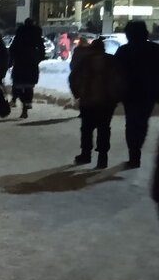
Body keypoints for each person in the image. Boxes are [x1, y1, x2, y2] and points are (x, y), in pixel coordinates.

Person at [68, 37, 123, 169]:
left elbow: (74, 77)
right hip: (107, 101)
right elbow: (120, 78)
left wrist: (77, 94)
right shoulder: (112, 60)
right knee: (104, 128)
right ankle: (102, 157)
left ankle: (86, 154)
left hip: (88, 100)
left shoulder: (85, 61)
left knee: (87, 129)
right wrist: (117, 96)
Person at [114, 20, 159, 169]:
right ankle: (136, 148)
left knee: (131, 122)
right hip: (149, 91)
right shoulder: (155, 49)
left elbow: (116, 73)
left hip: (130, 93)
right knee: (142, 121)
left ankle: (134, 154)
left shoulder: (124, 51)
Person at [8, 17, 46, 119]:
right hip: (31, 62)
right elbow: (42, 48)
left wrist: (11, 59)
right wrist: (39, 58)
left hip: (20, 61)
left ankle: (18, 100)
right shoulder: (36, 35)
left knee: (18, 84)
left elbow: (13, 48)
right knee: (29, 85)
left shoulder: (20, 34)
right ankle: (27, 104)